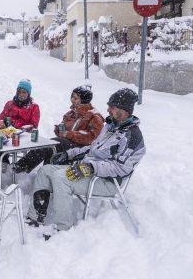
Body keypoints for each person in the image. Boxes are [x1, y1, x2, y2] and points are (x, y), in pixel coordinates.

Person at [25, 88, 145, 237]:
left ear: (124, 110)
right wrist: (68, 154)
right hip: (88, 171)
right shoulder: (110, 127)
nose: (108, 109)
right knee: (46, 170)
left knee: (61, 178)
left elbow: (121, 168)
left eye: (112, 107)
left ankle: (63, 228)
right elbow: (92, 149)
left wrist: (91, 167)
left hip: (107, 182)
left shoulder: (133, 137)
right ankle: (36, 216)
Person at [12, 85, 104, 174]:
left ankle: (21, 166)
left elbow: (92, 138)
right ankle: (43, 173)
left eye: (75, 98)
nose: (72, 100)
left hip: (81, 148)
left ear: (83, 100)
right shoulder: (71, 113)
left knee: (50, 145)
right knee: (50, 147)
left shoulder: (94, 116)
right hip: (66, 142)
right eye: (72, 97)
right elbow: (63, 130)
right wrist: (59, 130)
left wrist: (69, 134)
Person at [0, 79, 40, 178]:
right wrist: (0, 122)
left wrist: (13, 123)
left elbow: (33, 125)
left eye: (24, 92)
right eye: (19, 92)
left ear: (29, 93)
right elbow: (1, 117)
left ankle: (9, 170)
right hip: (6, 134)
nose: (21, 94)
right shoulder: (9, 104)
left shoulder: (34, 107)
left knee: (0, 144)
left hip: (22, 137)